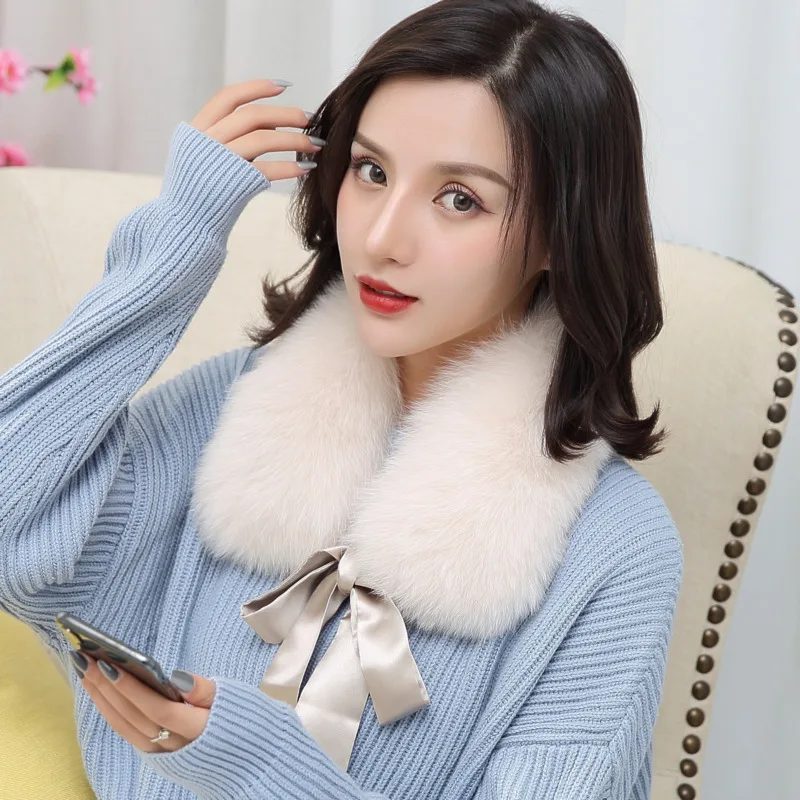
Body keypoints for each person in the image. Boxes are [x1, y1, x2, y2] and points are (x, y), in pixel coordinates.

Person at [0, 0, 683, 797]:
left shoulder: (617, 549)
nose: (382, 238)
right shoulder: (239, 408)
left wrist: (260, 764)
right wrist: (174, 247)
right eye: (372, 171)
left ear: (560, 234)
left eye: (460, 199)